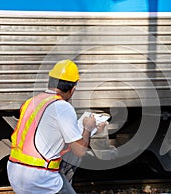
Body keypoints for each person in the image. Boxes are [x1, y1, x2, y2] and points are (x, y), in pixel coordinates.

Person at [7, 59, 104, 194]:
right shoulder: (63, 107)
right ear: (73, 89)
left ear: (50, 82)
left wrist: (92, 130)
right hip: (39, 177)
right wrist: (88, 128)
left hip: (15, 171)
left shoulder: (32, 102)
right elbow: (80, 151)